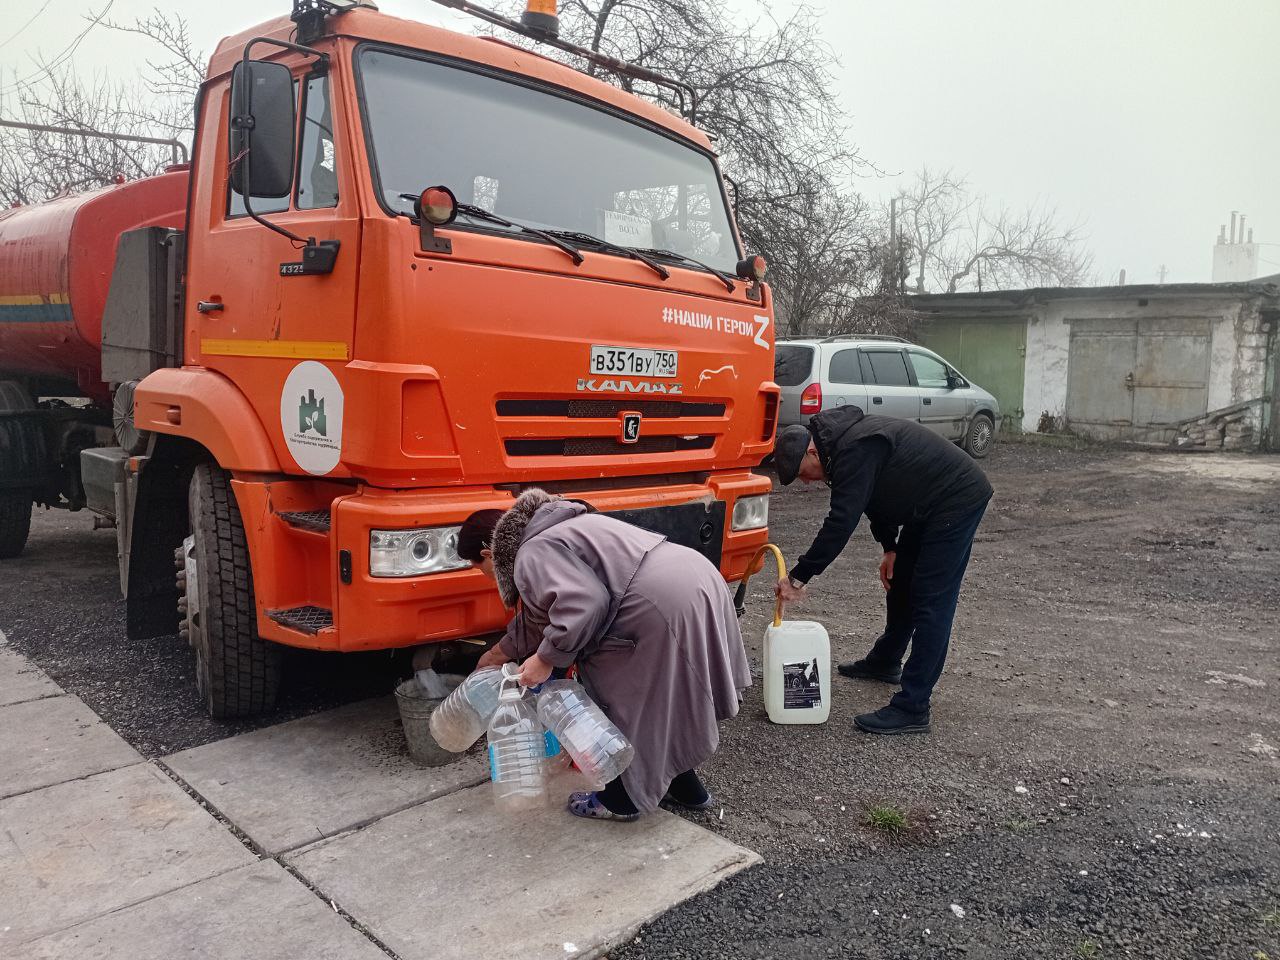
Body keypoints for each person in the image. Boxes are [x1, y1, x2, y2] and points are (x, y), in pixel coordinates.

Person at [456, 489, 751, 821]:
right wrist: (497, 655)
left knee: (622, 701)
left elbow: (585, 603)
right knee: (666, 701)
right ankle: (686, 789)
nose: (484, 575)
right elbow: (544, 616)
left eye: (477, 566)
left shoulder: (529, 554)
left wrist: (546, 659)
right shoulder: (555, 525)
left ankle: (621, 802)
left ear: (487, 553)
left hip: (658, 604)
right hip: (697, 579)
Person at [771, 405, 993, 735]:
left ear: (812, 450)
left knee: (932, 601)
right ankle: (887, 660)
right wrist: (890, 547)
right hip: (929, 503)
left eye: (801, 472)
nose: (805, 480)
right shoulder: (842, 450)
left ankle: (913, 707)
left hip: (955, 498)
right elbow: (876, 496)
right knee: (902, 580)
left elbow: (841, 522)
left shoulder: (855, 448)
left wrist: (798, 576)